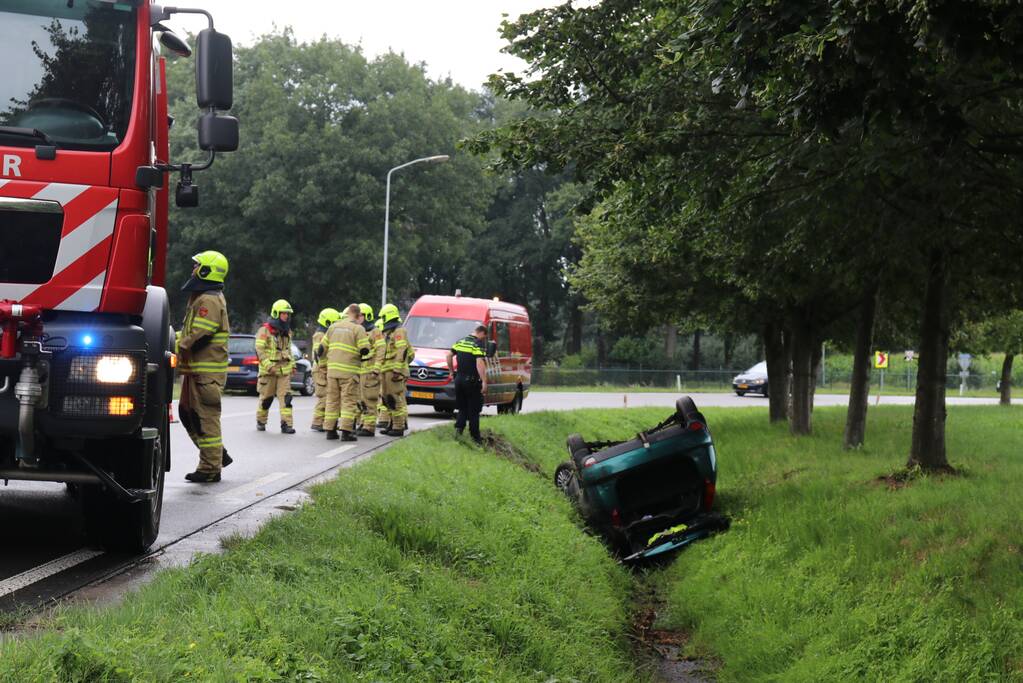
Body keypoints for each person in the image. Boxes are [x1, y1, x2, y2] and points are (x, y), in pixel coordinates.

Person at [177, 250, 233, 483]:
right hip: (197, 370)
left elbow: (201, 332)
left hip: (206, 372)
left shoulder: (208, 299)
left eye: (197, 266)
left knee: (205, 418)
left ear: (207, 270)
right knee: (187, 414)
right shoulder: (204, 296)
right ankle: (216, 456)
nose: (193, 269)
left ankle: (211, 467)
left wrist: (178, 344)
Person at [320, 303, 370, 441]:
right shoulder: (358, 329)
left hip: (332, 371)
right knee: (348, 401)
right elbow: (365, 349)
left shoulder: (333, 327)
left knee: (332, 400)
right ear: (358, 315)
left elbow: (321, 349)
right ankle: (346, 432)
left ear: (347, 313)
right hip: (349, 372)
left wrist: (323, 365)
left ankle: (330, 431)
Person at [255, 299, 296, 433]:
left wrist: (293, 365)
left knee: (286, 399)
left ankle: (287, 425)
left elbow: (289, 349)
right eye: (284, 313)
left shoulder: (287, 331)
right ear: (276, 313)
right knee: (266, 399)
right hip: (269, 372)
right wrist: (268, 366)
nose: (286, 316)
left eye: (287, 314)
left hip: (284, 371)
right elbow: (259, 350)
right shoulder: (264, 330)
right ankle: (261, 421)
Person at [447, 325, 489, 444]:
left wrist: (451, 372)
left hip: (458, 379)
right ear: (481, 333)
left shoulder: (460, 341)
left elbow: (449, 355)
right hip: (471, 381)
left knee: (462, 408)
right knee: (474, 410)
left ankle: (458, 433)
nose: (484, 340)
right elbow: (479, 363)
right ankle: (475, 438)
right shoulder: (477, 344)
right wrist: (484, 381)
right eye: (484, 337)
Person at [379, 303, 414, 437]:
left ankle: (398, 427)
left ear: (389, 317)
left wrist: (398, 370)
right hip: (387, 371)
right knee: (387, 399)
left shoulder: (399, 331)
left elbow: (402, 351)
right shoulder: (391, 332)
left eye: (383, 318)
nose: (382, 321)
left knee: (395, 399)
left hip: (394, 372)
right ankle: (392, 425)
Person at [355, 303, 386, 437]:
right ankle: (363, 424)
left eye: (360, 315)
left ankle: (369, 427)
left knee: (370, 400)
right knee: (361, 400)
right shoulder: (358, 331)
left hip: (370, 372)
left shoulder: (375, 331)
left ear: (367, 316)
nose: (357, 318)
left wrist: (376, 368)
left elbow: (381, 349)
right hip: (360, 372)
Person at [310, 307, 340, 431]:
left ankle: (323, 422)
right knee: (324, 396)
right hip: (320, 370)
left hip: (325, 368)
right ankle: (317, 422)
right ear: (328, 322)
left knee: (329, 396)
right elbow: (319, 354)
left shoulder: (325, 334)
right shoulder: (320, 335)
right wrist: (324, 368)